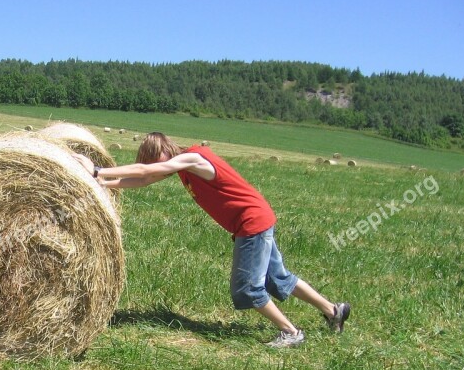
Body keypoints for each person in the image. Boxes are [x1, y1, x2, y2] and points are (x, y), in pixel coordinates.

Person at [73, 132, 350, 347]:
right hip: (257, 218)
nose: (157, 168)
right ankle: (333, 310)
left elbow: (145, 173)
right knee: (278, 277)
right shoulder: (181, 169)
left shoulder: (194, 157)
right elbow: (144, 180)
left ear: (166, 150)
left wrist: (97, 170)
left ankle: (290, 332)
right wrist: (103, 184)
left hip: (251, 223)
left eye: (156, 160)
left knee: (247, 289)